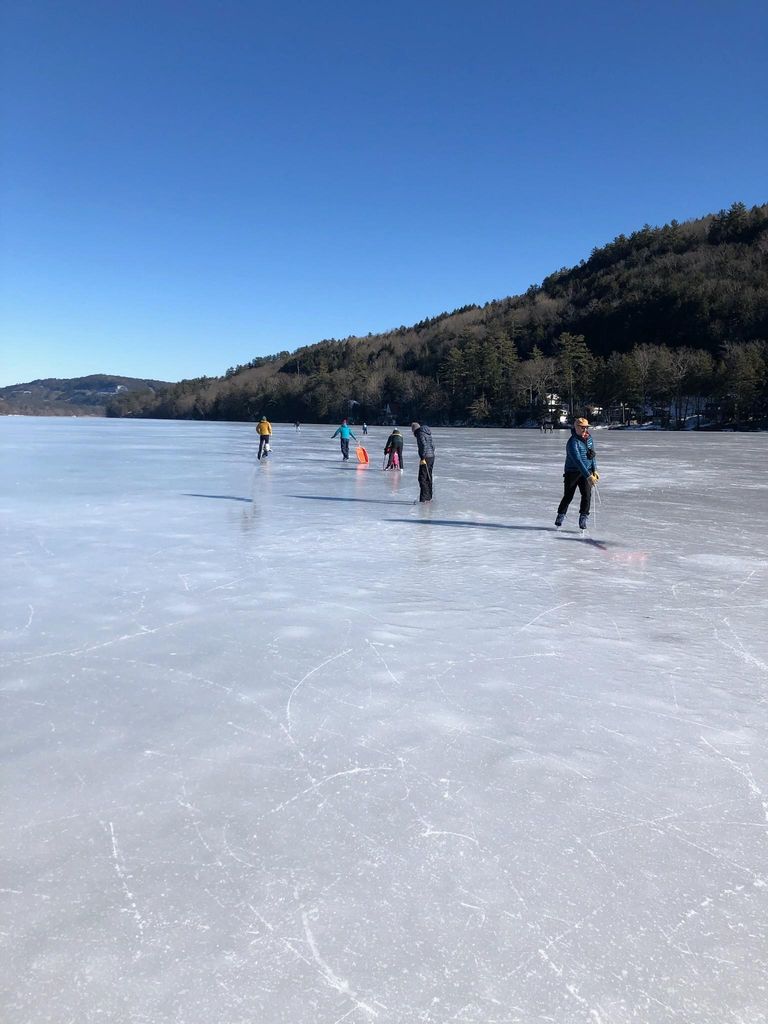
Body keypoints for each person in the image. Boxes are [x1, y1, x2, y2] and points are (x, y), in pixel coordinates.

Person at [555, 417, 599, 529]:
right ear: (576, 428)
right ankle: (561, 515)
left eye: (586, 428)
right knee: (568, 496)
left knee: (586, 495)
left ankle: (583, 518)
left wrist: (595, 470)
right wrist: (589, 476)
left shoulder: (589, 439)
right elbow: (578, 460)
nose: (585, 430)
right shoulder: (572, 442)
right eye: (582, 428)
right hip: (572, 472)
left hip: (587, 472)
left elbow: (592, 455)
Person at [411, 422, 435, 502]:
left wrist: (422, 457)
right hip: (431, 457)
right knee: (428, 477)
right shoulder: (427, 433)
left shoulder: (420, 434)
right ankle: (429, 497)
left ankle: (424, 498)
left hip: (426, 458)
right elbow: (433, 445)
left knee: (422, 478)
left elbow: (423, 446)